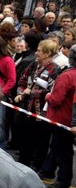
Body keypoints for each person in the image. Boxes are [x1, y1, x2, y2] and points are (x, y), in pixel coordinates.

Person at [13, 39, 60, 172]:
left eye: (39, 51)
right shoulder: (33, 65)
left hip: (42, 112)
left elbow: (52, 90)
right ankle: (23, 161)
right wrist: (21, 93)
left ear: (47, 53)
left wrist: (32, 92)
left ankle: (37, 165)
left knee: (41, 140)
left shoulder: (54, 69)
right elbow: (22, 80)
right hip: (27, 108)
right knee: (25, 136)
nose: (36, 52)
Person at [43, 45, 76, 188]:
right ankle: (49, 171)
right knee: (61, 149)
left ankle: (63, 179)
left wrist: (48, 96)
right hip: (70, 118)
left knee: (62, 150)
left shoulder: (67, 76)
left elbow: (56, 99)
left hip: (62, 118)